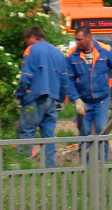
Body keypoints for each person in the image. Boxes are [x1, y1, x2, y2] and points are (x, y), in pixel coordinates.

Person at [66, 26, 112, 161]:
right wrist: (76, 99)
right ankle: (85, 165)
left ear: (88, 37)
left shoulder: (105, 50)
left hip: (101, 100)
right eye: (76, 40)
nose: (77, 43)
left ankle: (103, 164)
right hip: (83, 101)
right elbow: (67, 79)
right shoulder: (71, 55)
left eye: (79, 40)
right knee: (84, 132)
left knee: (102, 130)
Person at [15, 26, 70, 167]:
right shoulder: (58, 53)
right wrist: (61, 99)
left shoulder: (32, 50)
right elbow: (65, 80)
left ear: (32, 37)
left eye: (27, 41)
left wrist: (19, 95)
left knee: (26, 131)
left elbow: (26, 77)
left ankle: (24, 166)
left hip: (35, 97)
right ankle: (50, 168)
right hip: (52, 99)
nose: (27, 45)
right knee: (48, 134)